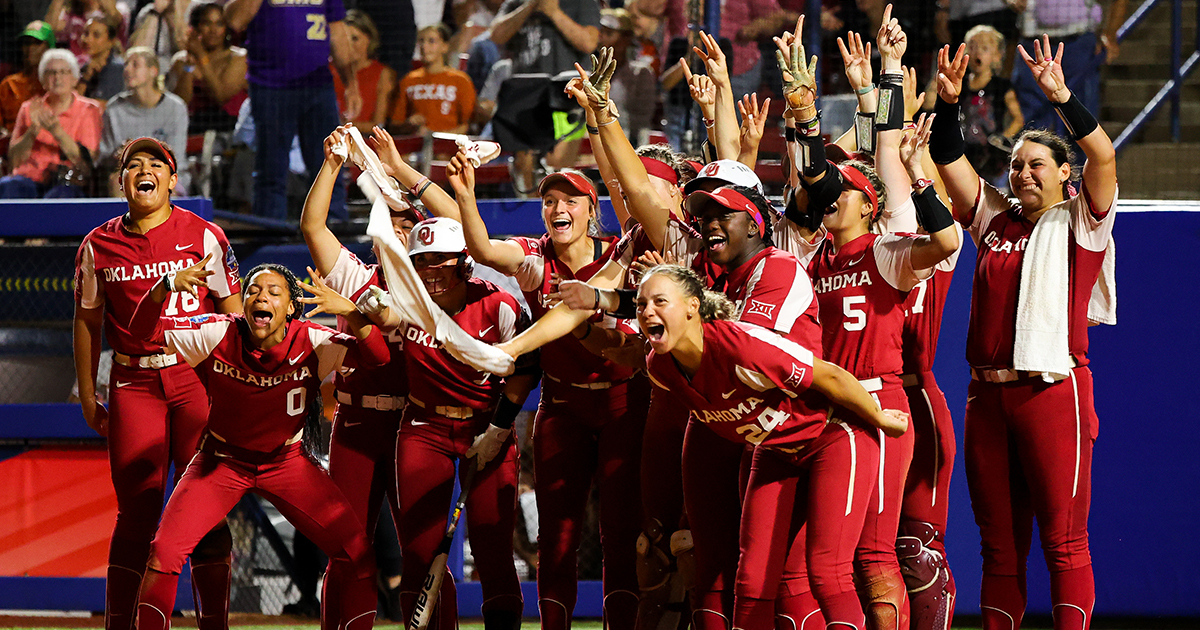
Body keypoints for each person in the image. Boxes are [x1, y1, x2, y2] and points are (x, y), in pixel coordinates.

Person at [776, 12, 960, 629]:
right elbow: (808, 181)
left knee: (878, 556)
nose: (831, 198)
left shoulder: (888, 251)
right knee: (810, 560)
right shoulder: (812, 254)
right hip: (822, 402)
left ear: (872, 203)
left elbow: (947, 239)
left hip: (881, 402)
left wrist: (886, 75)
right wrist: (799, 113)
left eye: (844, 191)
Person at [930, 34, 1117, 630]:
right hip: (987, 397)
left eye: (1037, 164)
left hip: (1052, 394)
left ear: (1067, 176)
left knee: (1063, 543)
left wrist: (1062, 98)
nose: (1023, 173)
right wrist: (948, 101)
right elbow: (948, 158)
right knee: (998, 548)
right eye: (1015, 165)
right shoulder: (994, 220)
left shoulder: (1081, 223)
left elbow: (1105, 158)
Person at [636, 264, 909, 630]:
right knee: (751, 580)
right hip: (776, 449)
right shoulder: (660, 368)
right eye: (640, 304)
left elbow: (829, 375)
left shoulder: (741, 346)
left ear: (692, 307)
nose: (647, 311)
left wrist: (880, 418)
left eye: (659, 301)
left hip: (834, 435)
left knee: (828, 572)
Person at [125, 261, 388, 630]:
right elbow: (139, 335)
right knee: (164, 552)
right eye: (252, 291)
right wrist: (164, 286)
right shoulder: (216, 332)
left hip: (287, 464)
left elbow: (379, 358)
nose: (260, 297)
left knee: (358, 555)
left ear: (292, 308)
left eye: (273, 292)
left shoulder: (314, 339)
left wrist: (353, 314)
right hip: (221, 462)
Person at [443, 156, 647, 630]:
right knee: (556, 535)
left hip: (623, 402)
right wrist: (467, 194)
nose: (558, 208)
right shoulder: (535, 258)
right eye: (549, 201)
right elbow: (485, 250)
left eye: (569, 200)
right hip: (562, 407)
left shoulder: (623, 258)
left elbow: (628, 345)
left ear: (590, 209)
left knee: (620, 533)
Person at [73, 137, 241, 630]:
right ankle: (120, 624)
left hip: (196, 380)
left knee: (206, 507)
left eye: (155, 164)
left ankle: (215, 624)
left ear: (172, 179)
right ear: (119, 181)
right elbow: (86, 321)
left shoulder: (206, 235)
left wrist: (236, 389)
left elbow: (233, 320)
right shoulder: (97, 245)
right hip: (134, 383)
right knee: (137, 513)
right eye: (132, 165)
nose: (143, 171)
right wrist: (87, 392)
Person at [357, 216, 540, 630]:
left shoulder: (498, 305)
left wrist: (498, 429)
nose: (431, 271)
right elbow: (382, 315)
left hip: (487, 426)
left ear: (464, 263)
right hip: (424, 427)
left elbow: (527, 366)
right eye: (422, 261)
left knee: (493, 548)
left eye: (442, 260)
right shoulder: (409, 299)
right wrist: (363, 308)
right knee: (420, 551)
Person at [299, 124, 421, 621]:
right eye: (388, 222)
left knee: (421, 549)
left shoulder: (434, 289)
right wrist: (331, 164)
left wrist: (351, 310)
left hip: (413, 427)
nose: (397, 231)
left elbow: (389, 357)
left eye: (407, 223)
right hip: (354, 424)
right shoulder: (357, 274)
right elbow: (312, 227)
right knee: (348, 550)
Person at [224, 0, 361, 220]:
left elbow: (337, 31)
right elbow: (235, 20)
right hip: (271, 85)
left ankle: (335, 234)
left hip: (318, 84)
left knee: (329, 162)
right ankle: (272, 241)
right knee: (271, 169)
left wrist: (351, 84)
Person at [489, 0, 600, 191]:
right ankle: (534, 215)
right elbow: (496, 35)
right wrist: (529, 6)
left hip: (566, 94)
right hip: (525, 95)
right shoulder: (515, 2)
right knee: (524, 164)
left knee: (557, 164)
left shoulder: (583, 3)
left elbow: (589, 42)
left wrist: (554, 12)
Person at [1009, 0, 1127, 136]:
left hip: (1078, 44)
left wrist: (1110, 34)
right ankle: (1033, 156)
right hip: (1033, 42)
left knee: (1079, 117)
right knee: (1032, 119)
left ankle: (1080, 158)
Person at [1, 48, 101, 198]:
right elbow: (14, 160)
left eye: (64, 72)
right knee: (8, 186)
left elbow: (86, 163)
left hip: (65, 182)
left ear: (75, 79)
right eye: (51, 72)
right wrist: (32, 131)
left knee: (59, 197)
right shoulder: (29, 108)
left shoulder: (89, 109)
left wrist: (57, 132)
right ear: (42, 80)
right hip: (28, 179)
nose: (57, 77)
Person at [99, 47, 190, 195]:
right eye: (126, 65)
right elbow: (105, 156)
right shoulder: (114, 108)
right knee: (117, 182)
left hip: (167, 175)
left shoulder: (175, 107)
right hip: (129, 176)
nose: (128, 69)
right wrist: (119, 154)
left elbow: (176, 157)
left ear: (153, 71)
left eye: (135, 64)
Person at [166, 2, 247, 134]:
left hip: (229, 129)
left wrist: (202, 57)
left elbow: (220, 96)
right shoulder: (181, 60)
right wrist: (189, 65)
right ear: (196, 28)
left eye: (219, 24)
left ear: (226, 28)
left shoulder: (238, 58)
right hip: (192, 127)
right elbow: (180, 104)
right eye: (207, 23)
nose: (213, 30)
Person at [959, 24, 1023, 187]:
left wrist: (1001, 139)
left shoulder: (1001, 87)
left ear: (997, 56)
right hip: (963, 152)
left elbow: (1018, 119)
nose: (978, 52)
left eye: (985, 48)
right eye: (973, 47)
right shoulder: (960, 85)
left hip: (991, 157)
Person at [390, 23, 475, 136]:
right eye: (421, 41)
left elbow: (468, 124)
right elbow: (395, 123)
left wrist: (436, 137)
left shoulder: (460, 81)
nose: (424, 46)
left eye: (431, 41)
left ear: (445, 46)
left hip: (449, 146)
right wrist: (409, 124)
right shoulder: (409, 80)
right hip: (415, 145)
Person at [331, 10, 395, 134]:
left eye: (355, 39)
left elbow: (378, 125)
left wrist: (342, 126)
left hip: (364, 142)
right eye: (345, 40)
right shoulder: (329, 69)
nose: (349, 45)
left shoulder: (382, 73)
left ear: (369, 40)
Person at [1, 21, 54, 133]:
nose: (30, 48)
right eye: (26, 43)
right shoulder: (9, 85)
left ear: (49, 47)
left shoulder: (58, 85)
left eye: (37, 43)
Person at [45, 0, 130, 58]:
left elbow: (116, 23)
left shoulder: (119, 10)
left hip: (106, 66)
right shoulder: (69, 15)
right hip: (76, 67)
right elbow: (49, 30)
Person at [76, 17, 125, 104]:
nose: (87, 40)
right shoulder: (85, 66)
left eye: (96, 35)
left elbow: (100, 110)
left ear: (111, 41)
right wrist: (86, 77)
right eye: (86, 33)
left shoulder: (115, 68)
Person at [129, 0, 187, 71]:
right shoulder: (149, 12)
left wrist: (173, 14)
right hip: (152, 73)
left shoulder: (191, 9)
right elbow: (137, 53)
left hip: (178, 73)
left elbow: (184, 50)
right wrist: (156, 13)